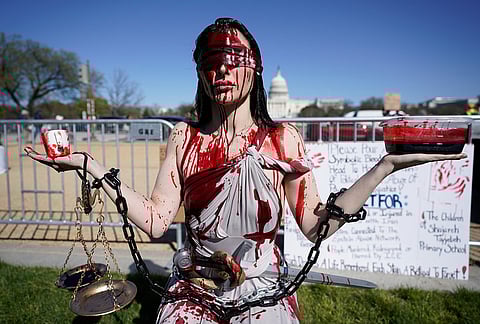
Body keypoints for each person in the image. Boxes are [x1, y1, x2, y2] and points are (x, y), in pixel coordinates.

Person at [25, 18, 467, 323]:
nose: (221, 71)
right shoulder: (184, 138)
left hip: (262, 283)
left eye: (232, 59)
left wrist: (384, 167)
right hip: (195, 283)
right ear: (199, 73)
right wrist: (92, 166)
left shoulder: (283, 139)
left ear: (254, 68)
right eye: (209, 63)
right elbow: (158, 219)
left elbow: (314, 226)